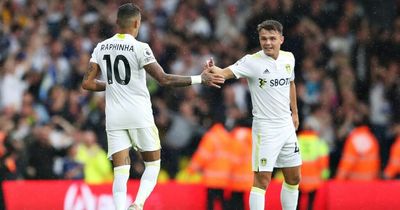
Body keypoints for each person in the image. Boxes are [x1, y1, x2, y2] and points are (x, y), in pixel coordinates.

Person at [81, 3, 224, 210]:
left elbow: (87, 83)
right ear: (137, 23)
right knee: (153, 163)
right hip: (139, 114)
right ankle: (138, 204)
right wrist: (199, 79)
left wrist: (112, 85)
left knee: (121, 170)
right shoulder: (141, 48)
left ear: (117, 22)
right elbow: (164, 79)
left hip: (114, 117)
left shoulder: (101, 47)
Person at [206, 20, 302, 210]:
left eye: (272, 38)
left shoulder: (288, 58)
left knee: (294, 177)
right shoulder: (251, 61)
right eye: (263, 39)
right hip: (265, 129)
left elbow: (291, 84)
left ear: (281, 39)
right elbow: (225, 73)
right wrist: (213, 71)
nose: (267, 43)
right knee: (262, 180)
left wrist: (295, 113)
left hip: (286, 126)